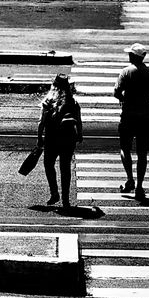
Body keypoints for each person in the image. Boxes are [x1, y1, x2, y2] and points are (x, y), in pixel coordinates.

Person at [113, 42, 149, 201]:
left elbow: (116, 92)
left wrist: (123, 99)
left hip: (128, 116)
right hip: (146, 117)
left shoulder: (126, 72)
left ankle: (130, 179)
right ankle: (140, 186)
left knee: (124, 148)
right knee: (142, 153)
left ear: (133, 56)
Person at [36, 71, 83, 208]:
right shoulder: (72, 101)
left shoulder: (49, 101)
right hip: (69, 138)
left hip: (52, 138)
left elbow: (41, 122)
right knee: (65, 168)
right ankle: (66, 200)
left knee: (49, 164)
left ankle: (54, 193)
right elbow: (79, 121)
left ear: (54, 86)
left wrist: (39, 138)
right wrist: (80, 135)